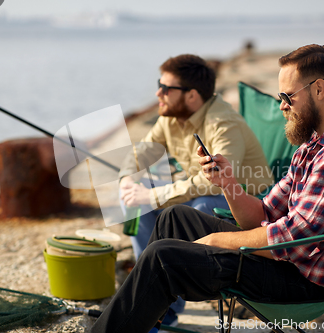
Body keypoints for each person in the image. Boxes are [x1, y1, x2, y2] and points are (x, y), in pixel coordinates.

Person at [93, 44, 324, 333]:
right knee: (174, 219)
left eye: (287, 96)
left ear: (319, 89)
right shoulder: (315, 143)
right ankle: (142, 319)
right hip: (286, 262)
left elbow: (296, 238)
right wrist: (229, 184)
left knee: (162, 257)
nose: (282, 105)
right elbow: (264, 212)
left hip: (304, 281)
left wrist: (218, 241)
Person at [117, 54, 274, 327]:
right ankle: (151, 295)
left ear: (191, 96)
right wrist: (126, 179)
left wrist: (153, 195)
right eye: (159, 85)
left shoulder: (222, 124)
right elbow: (143, 151)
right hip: (198, 193)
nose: (158, 93)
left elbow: (215, 180)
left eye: (166, 88)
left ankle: (165, 308)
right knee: (134, 200)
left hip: (242, 205)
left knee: (197, 207)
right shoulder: (170, 116)